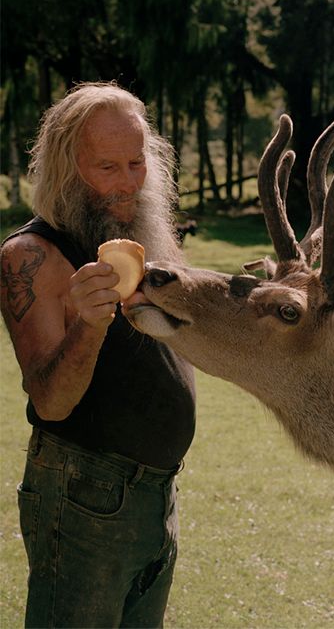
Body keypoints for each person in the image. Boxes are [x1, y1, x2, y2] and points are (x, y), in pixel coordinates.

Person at [0, 82, 196, 628]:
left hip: (155, 498)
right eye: (107, 168)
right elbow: (52, 402)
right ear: (66, 167)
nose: (128, 183)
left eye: (137, 163)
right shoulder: (30, 256)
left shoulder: (139, 236)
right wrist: (89, 322)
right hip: (83, 497)